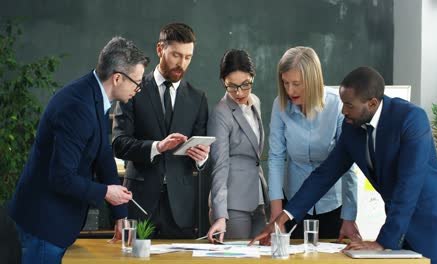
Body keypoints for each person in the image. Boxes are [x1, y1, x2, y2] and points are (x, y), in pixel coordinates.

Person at [250, 66, 437, 264]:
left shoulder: (411, 119)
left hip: (433, 216)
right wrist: (283, 218)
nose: (343, 111)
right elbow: (324, 175)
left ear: (372, 103)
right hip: (400, 219)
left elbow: (408, 185)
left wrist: (382, 242)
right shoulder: (353, 127)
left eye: (349, 105)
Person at [8, 36, 149, 263]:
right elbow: (61, 177)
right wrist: (105, 193)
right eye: (137, 83)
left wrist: (120, 213)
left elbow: (104, 154)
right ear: (117, 78)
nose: (139, 89)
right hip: (43, 225)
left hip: (56, 224)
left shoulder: (96, 96)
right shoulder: (77, 107)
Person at [112, 22, 209, 239]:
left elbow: (200, 157)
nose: (181, 63)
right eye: (176, 55)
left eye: (188, 57)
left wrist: (201, 159)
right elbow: (118, 143)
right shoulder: (132, 88)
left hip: (181, 210)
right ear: (159, 49)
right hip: (139, 204)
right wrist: (157, 147)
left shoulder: (198, 98)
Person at [268, 46, 359, 240]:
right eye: (285, 83)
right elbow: (276, 157)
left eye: (296, 83)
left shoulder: (337, 105)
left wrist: (349, 216)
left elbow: (348, 164)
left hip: (332, 204)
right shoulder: (280, 105)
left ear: (313, 80)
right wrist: (277, 214)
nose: (290, 90)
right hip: (293, 204)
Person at [206, 49, 269, 243]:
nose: (239, 92)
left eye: (245, 85)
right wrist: (220, 214)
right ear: (223, 82)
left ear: (252, 77)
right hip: (233, 204)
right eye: (231, 86)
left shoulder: (255, 102)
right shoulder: (220, 113)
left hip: (258, 199)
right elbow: (220, 164)